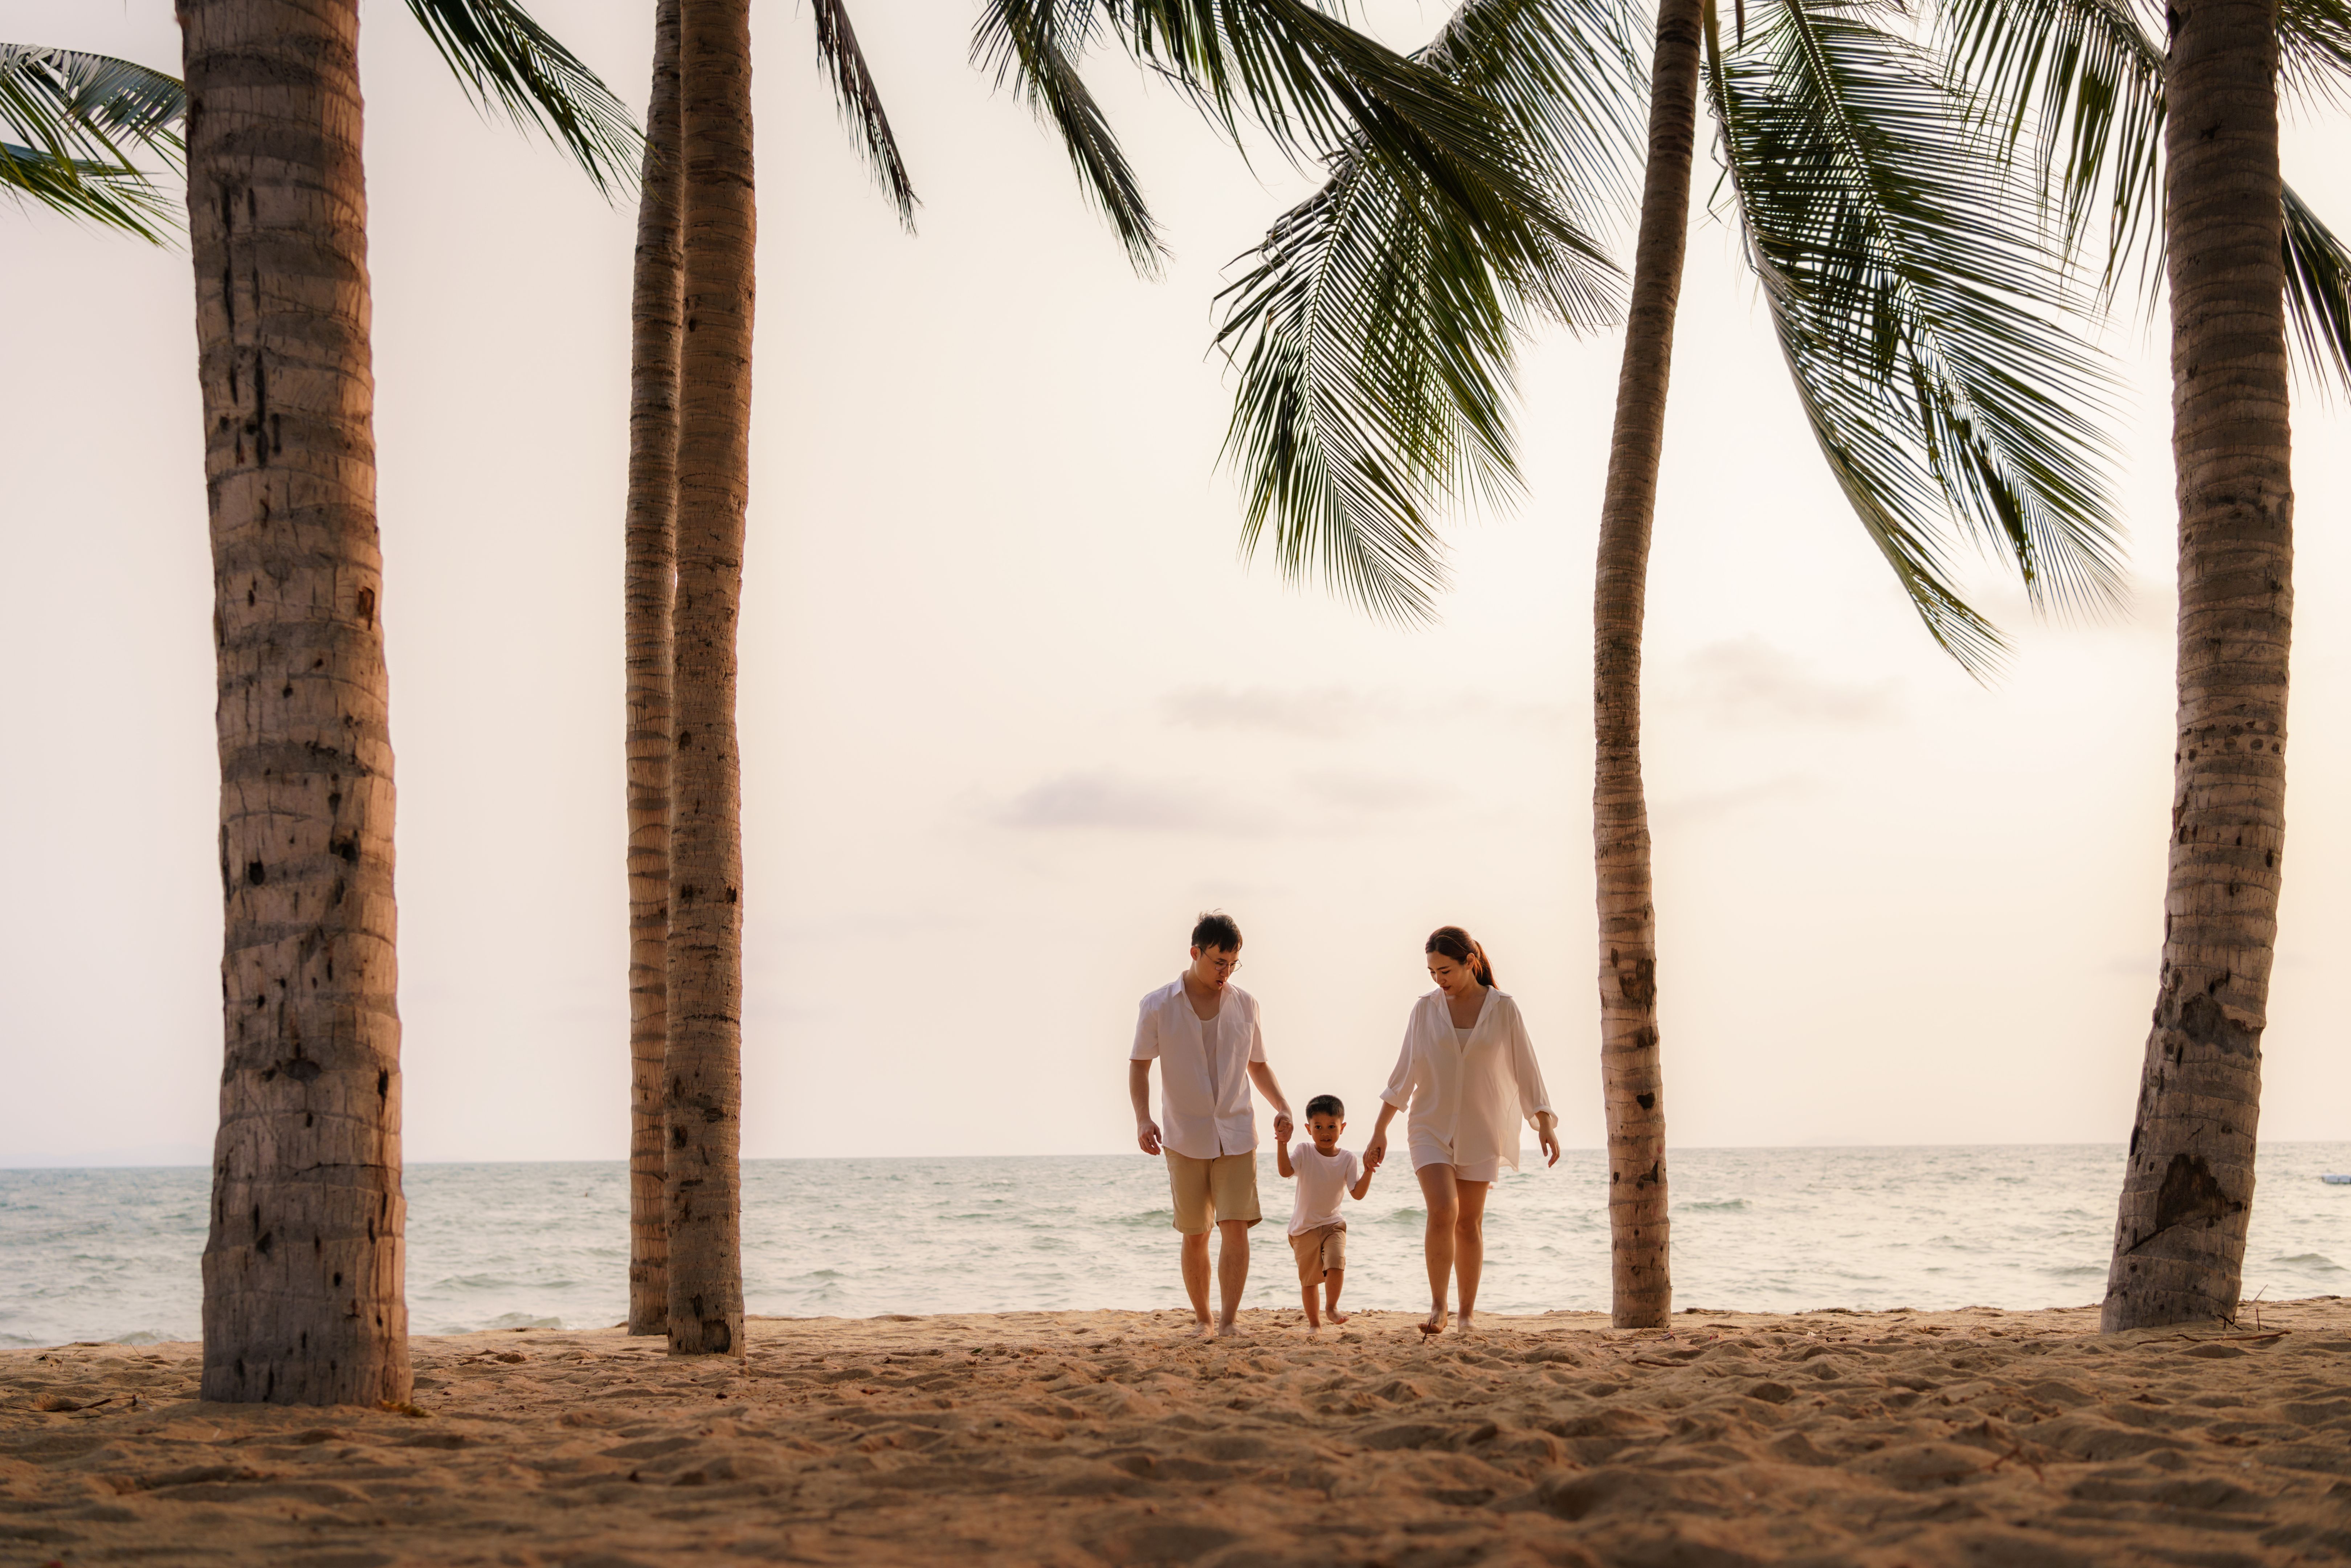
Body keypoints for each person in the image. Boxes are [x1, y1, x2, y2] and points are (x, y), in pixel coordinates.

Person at [1366, 925, 1559, 1336]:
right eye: (1433, 972)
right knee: (1443, 1210)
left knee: (1469, 1223)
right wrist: (1380, 1130)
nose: (1439, 980)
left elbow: (1528, 1071)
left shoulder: (1503, 1009)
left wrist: (1544, 1125)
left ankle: (1468, 1314)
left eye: (1446, 971)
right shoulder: (1425, 1010)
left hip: (1481, 1129)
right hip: (1429, 1126)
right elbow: (1403, 1076)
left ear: (1470, 963)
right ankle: (1439, 1307)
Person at [1129, 911, 1295, 1338]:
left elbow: (1258, 1065)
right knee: (1196, 1233)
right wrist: (1143, 1118)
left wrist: (1281, 1105)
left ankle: (1228, 1322)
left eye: (1233, 964)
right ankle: (1202, 1319)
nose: (1225, 972)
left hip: (1238, 1132)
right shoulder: (1158, 1004)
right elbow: (1139, 1066)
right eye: (1218, 962)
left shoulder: (1246, 1004)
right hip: (1184, 1136)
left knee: (1236, 1226)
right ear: (1195, 953)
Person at [1276, 1093, 1376, 1334]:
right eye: (1318, 1127)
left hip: (1333, 1224)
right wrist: (1282, 1143)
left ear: (1342, 1128)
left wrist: (1368, 1170)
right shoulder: (1304, 1151)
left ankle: (1331, 1308)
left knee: (1336, 1263)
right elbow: (1284, 1171)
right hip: (1304, 1229)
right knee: (1309, 1281)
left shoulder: (1347, 1158)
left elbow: (1358, 1194)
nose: (1325, 1133)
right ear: (1308, 1129)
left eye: (1332, 1127)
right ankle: (1314, 1324)